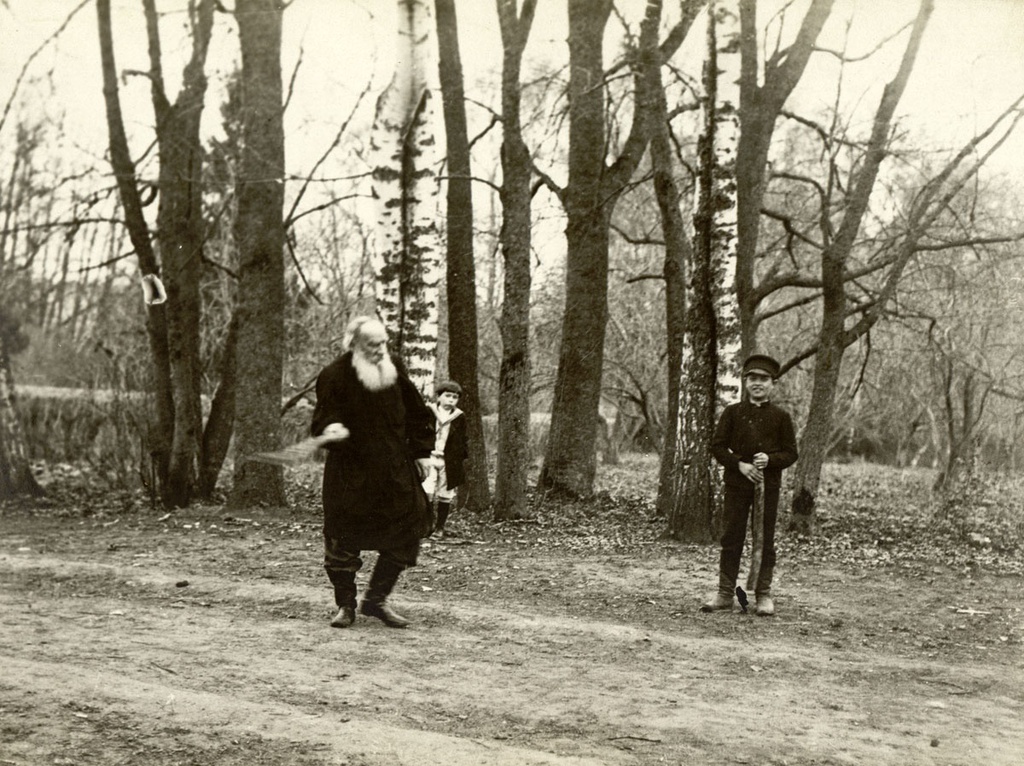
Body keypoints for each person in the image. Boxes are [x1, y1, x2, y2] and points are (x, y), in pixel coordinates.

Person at [310, 316, 435, 629]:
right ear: (353, 344)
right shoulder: (334, 375)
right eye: (373, 344)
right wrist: (331, 429)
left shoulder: (393, 368)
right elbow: (322, 421)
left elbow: (418, 412)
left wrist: (421, 452)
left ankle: (376, 601)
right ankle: (345, 606)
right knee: (341, 542)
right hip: (350, 473)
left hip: (394, 470)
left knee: (408, 532)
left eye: (384, 342)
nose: (381, 350)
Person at [702, 354, 798, 617]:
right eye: (753, 378)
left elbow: (791, 453)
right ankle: (724, 594)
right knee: (731, 536)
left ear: (773, 384)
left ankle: (763, 595)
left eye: (764, 379)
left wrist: (770, 459)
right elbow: (717, 446)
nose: (758, 384)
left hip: (768, 487)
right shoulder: (732, 413)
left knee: (764, 538)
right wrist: (739, 465)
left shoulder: (781, 417)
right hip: (736, 484)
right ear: (745, 382)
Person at [422, 380, 469, 536]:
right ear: (439, 397)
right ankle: (426, 525)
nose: (451, 400)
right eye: (447, 396)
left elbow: (463, 440)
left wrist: (458, 457)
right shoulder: (428, 412)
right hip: (429, 456)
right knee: (427, 490)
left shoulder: (459, 416)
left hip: (448, 460)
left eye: (454, 397)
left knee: (445, 492)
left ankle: (440, 527)